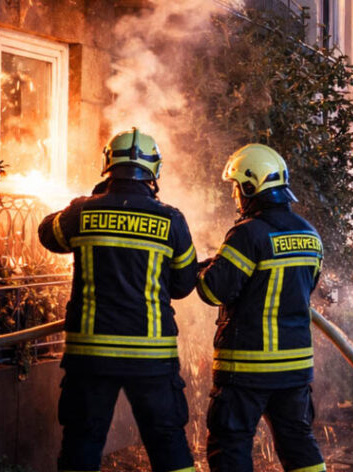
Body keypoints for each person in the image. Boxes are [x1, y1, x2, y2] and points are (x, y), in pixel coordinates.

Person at [37, 128, 198, 472]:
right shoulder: (171, 219)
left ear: (108, 165)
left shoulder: (82, 213)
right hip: (151, 355)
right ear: (154, 170)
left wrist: (79, 204)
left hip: (91, 354)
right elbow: (184, 284)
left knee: (81, 443)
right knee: (168, 442)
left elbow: (47, 234)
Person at [197, 143, 325, 472]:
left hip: (247, 367)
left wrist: (202, 270)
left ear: (251, 187)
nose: (234, 195)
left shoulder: (247, 234)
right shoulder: (310, 235)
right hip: (295, 367)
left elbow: (213, 291)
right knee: (298, 442)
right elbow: (306, 287)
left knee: (231, 444)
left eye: (236, 187)